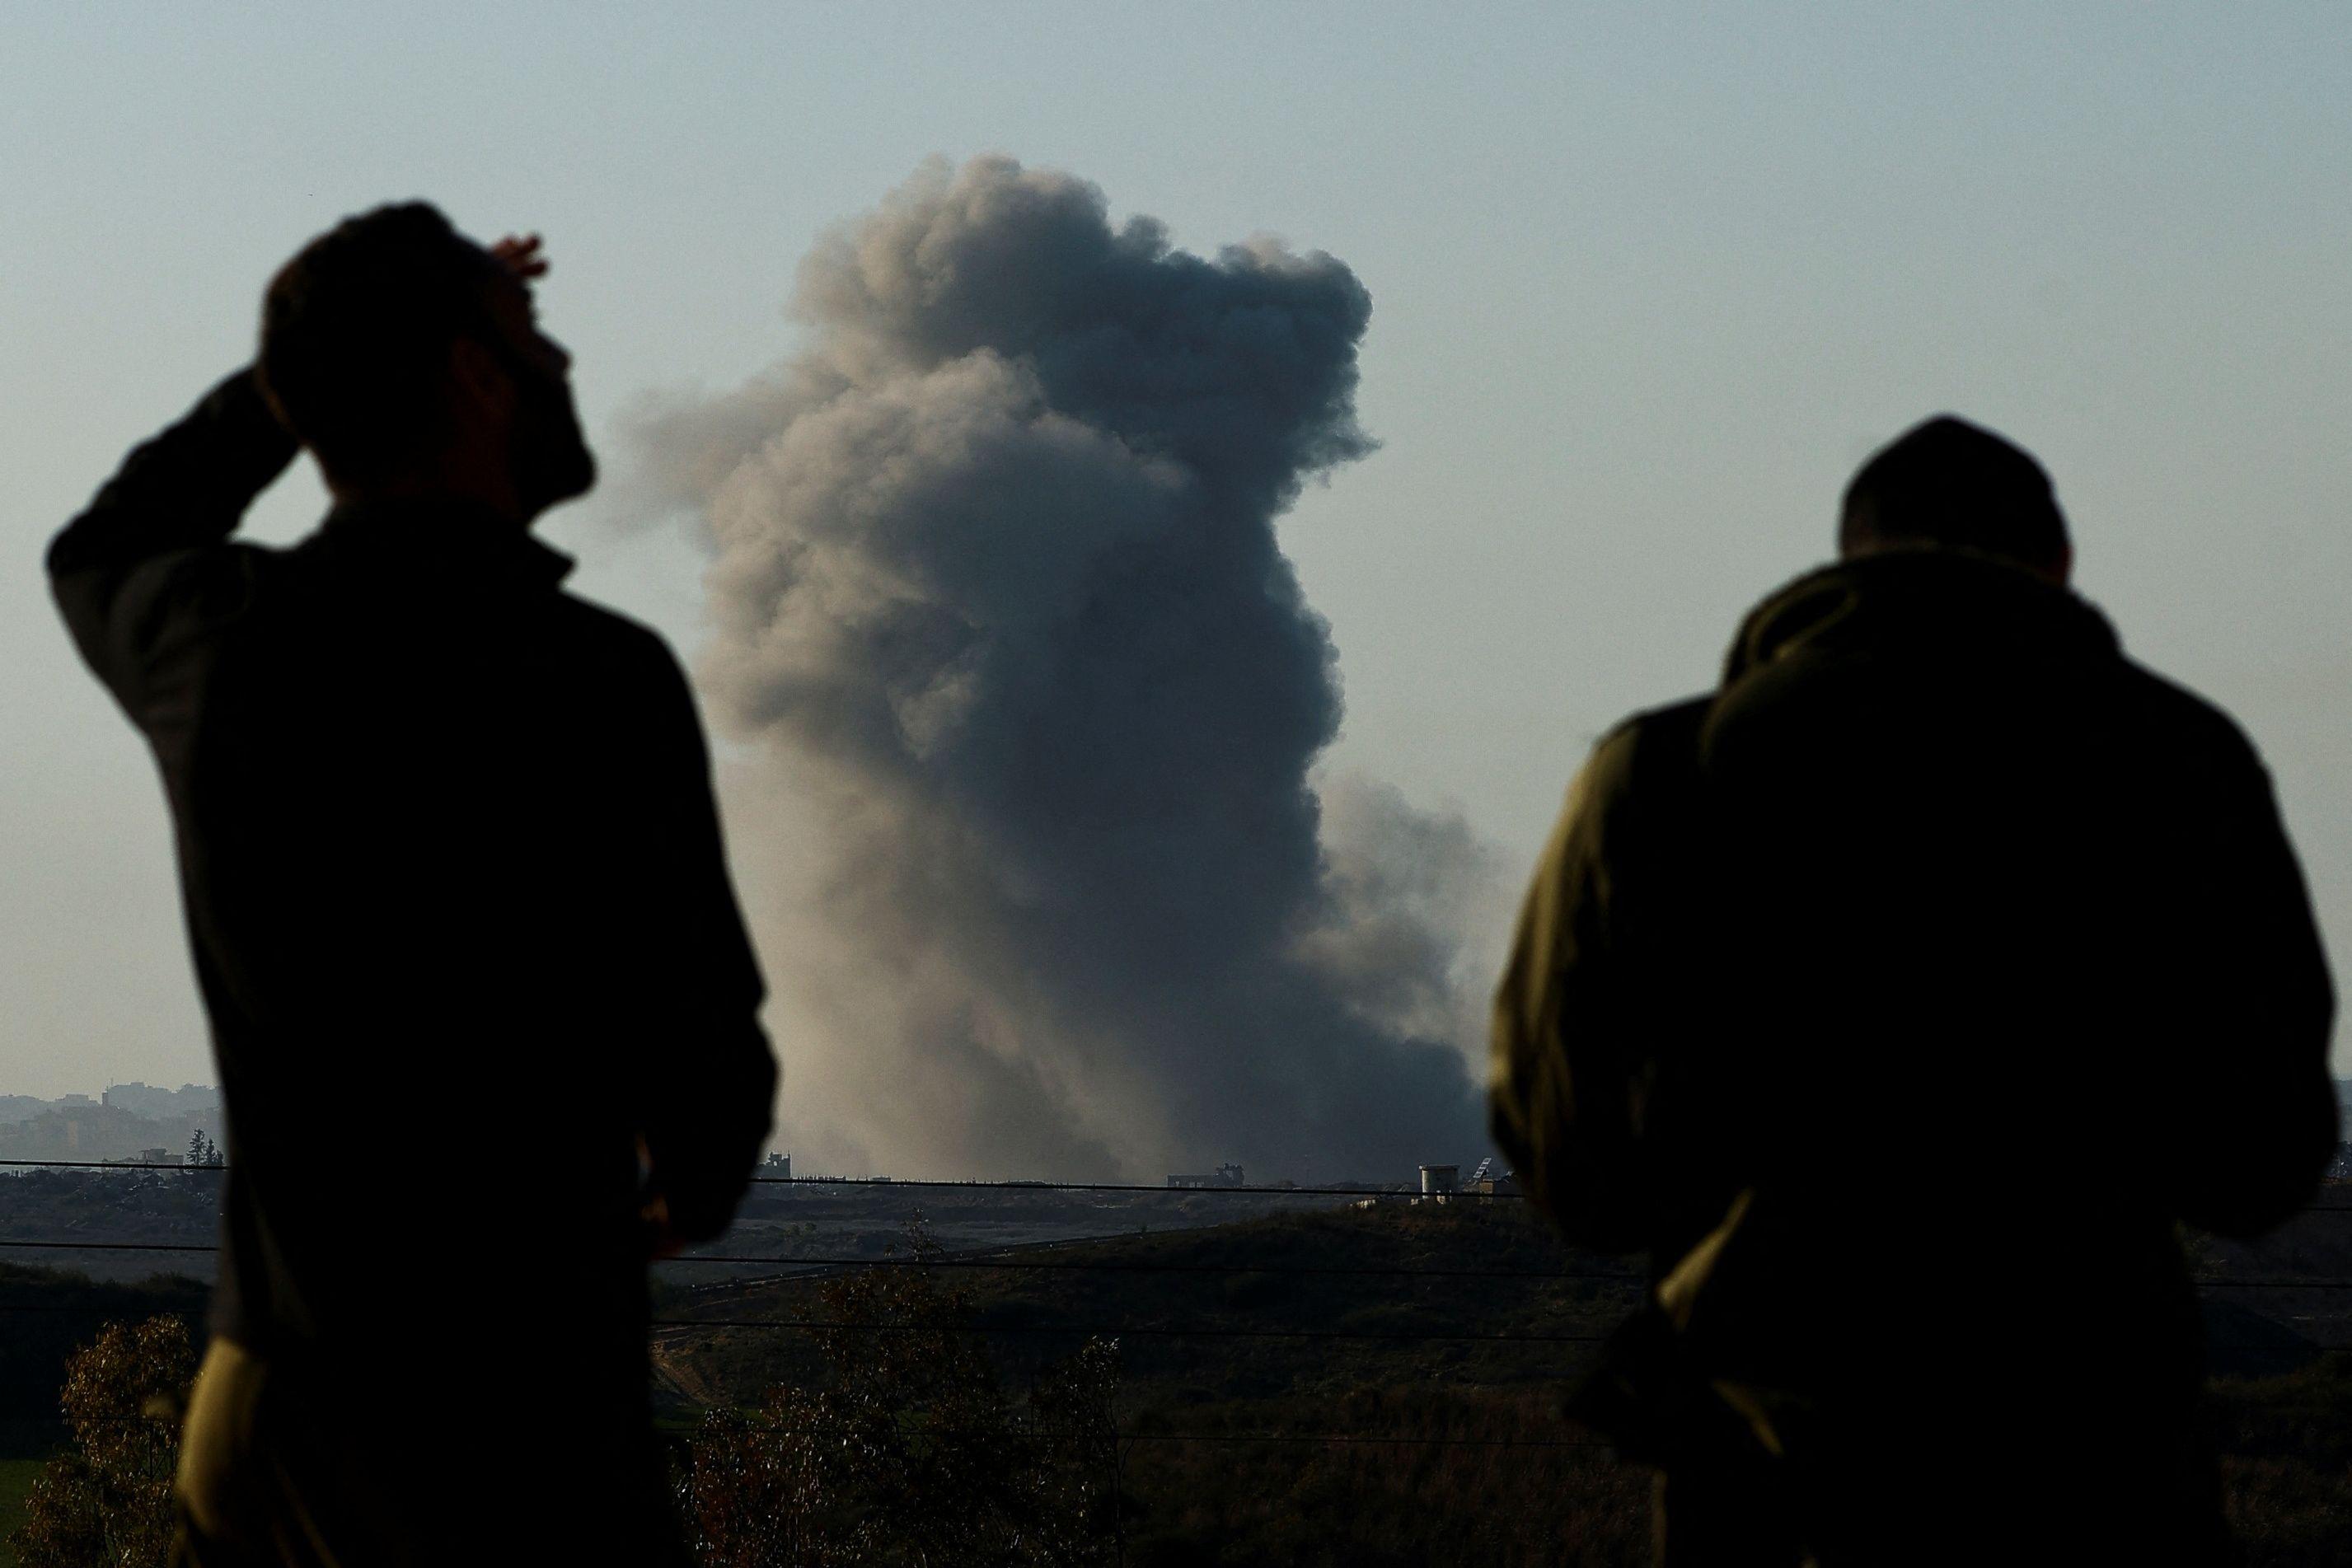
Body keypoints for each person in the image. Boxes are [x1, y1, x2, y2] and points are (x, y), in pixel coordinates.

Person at [47, 204, 778, 1565]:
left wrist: (297, 381)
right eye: (530, 341)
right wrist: (678, 1185)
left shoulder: (218, 650)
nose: (560, 368)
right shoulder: (597, 680)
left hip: (272, 1398)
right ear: (471, 377)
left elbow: (105, 543)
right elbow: (708, 1085)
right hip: (519, 1426)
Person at [1490, 416, 2337, 1565]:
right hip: (2097, 1462)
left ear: (1845, 565)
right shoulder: (2183, 765)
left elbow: (1577, 1170)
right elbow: (2263, 1161)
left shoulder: (1659, 774)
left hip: (1769, 1475)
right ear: (2056, 569)